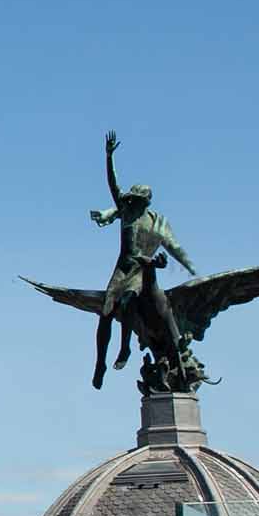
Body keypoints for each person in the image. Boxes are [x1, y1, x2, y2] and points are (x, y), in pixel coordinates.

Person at [88, 130, 191, 388]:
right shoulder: (126, 212)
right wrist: (108, 156)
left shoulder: (153, 222)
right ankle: (100, 363)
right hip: (122, 267)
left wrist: (163, 263)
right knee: (105, 313)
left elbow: (167, 251)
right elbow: (113, 185)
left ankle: (125, 348)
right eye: (131, 199)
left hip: (139, 271)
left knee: (128, 300)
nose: (131, 202)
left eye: (137, 200)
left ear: (146, 202)